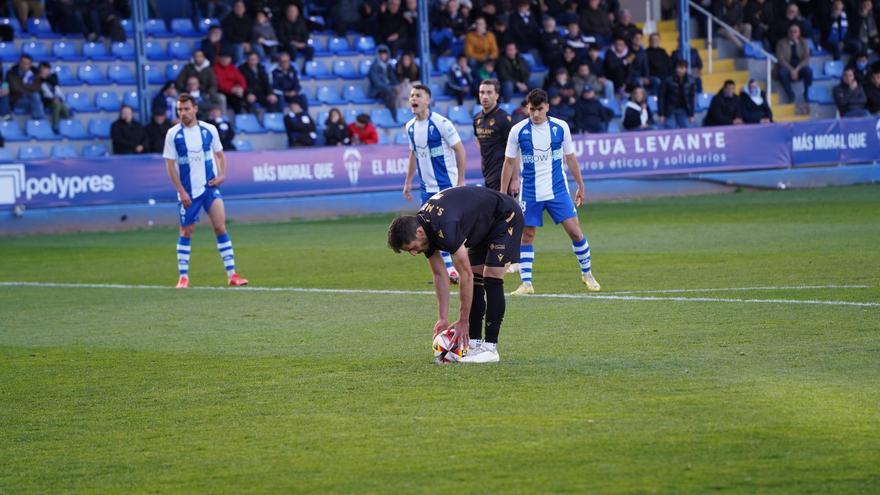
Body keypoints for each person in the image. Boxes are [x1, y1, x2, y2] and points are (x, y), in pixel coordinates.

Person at [386, 186, 525, 363]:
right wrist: (443, 318)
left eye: (412, 248)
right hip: (481, 226)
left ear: (419, 233)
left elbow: (464, 274)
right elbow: (439, 274)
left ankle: (490, 349)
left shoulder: (445, 226)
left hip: (504, 217)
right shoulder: (424, 228)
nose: (414, 253)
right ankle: (473, 343)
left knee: (491, 277)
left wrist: (462, 320)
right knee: (477, 280)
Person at [500, 89, 600, 296]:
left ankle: (587, 273)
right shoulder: (518, 131)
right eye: (532, 109)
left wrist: (580, 185)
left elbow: (570, 157)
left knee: (575, 232)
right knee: (527, 235)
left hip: (558, 190)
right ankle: (526, 283)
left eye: (539, 109)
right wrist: (502, 194)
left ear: (547, 107)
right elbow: (509, 162)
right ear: (526, 108)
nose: (535, 114)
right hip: (530, 191)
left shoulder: (560, 127)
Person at [163, 94, 248, 289]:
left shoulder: (209, 130)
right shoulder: (173, 134)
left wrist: (222, 175)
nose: (182, 113)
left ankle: (232, 274)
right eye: (179, 110)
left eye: (186, 109)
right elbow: (169, 166)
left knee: (220, 227)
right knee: (186, 231)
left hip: (210, 187)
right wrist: (181, 191)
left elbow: (220, 155)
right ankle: (183, 277)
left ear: (195, 109)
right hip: (188, 192)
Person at [402, 84, 466, 283]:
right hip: (426, 189)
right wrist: (408, 181)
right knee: (430, 232)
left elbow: (460, 150)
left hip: (446, 187)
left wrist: (461, 180)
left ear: (427, 100)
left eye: (418, 95)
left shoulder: (441, 124)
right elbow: (413, 154)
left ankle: (461, 268)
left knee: (449, 230)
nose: (414, 99)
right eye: (412, 95)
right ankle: (449, 271)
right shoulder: (410, 127)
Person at [473, 79, 514, 192]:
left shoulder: (504, 119)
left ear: (497, 95)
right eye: (482, 92)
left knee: (505, 208)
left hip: (502, 173)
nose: (485, 96)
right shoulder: (477, 119)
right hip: (487, 171)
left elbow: (515, 150)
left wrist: (515, 179)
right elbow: (478, 140)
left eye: (489, 92)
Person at [775, 23, 813, 114]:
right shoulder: (781, 43)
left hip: (799, 68)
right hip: (787, 67)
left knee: (809, 71)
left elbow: (806, 58)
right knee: (782, 73)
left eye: (795, 32)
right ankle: (790, 94)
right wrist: (791, 70)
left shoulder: (803, 42)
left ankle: (807, 92)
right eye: (791, 32)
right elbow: (781, 59)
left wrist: (796, 70)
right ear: (788, 33)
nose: (793, 34)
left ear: (799, 33)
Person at [658, 59, 696, 129]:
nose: (680, 70)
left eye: (682, 68)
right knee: (669, 129)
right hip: (669, 110)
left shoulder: (691, 81)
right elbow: (661, 97)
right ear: (675, 68)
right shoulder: (667, 80)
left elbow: (692, 99)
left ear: (686, 69)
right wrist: (661, 114)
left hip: (684, 109)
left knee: (687, 129)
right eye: (679, 68)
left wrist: (691, 114)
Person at [368, 45, 400, 121]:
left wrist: (397, 86)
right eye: (381, 54)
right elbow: (377, 83)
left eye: (384, 54)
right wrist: (391, 88)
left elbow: (394, 79)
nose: (383, 56)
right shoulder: (374, 67)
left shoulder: (389, 66)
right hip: (377, 91)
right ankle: (394, 117)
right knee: (390, 94)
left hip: (389, 89)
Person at [7, 54, 43, 120]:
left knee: (35, 96)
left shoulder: (34, 73)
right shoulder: (11, 73)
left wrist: (24, 85)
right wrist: (29, 89)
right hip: (17, 99)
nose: (24, 65)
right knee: (36, 99)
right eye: (23, 63)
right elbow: (15, 88)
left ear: (30, 64)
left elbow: (37, 87)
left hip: (31, 98)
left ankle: (37, 121)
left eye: (27, 63)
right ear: (19, 63)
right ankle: (39, 121)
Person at [213, 50, 248, 115]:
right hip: (222, 91)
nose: (225, 60)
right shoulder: (215, 68)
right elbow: (220, 83)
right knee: (233, 98)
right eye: (223, 58)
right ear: (219, 58)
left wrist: (241, 88)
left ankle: (242, 118)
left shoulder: (232, 67)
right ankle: (224, 119)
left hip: (234, 91)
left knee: (243, 95)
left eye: (227, 58)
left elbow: (241, 79)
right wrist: (231, 89)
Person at [37, 62, 69, 132]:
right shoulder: (37, 81)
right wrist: (53, 99)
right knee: (57, 105)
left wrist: (59, 99)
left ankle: (67, 123)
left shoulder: (53, 80)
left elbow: (58, 92)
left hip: (55, 101)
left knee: (63, 106)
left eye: (46, 69)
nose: (44, 71)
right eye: (42, 69)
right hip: (45, 102)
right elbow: (42, 95)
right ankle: (55, 125)